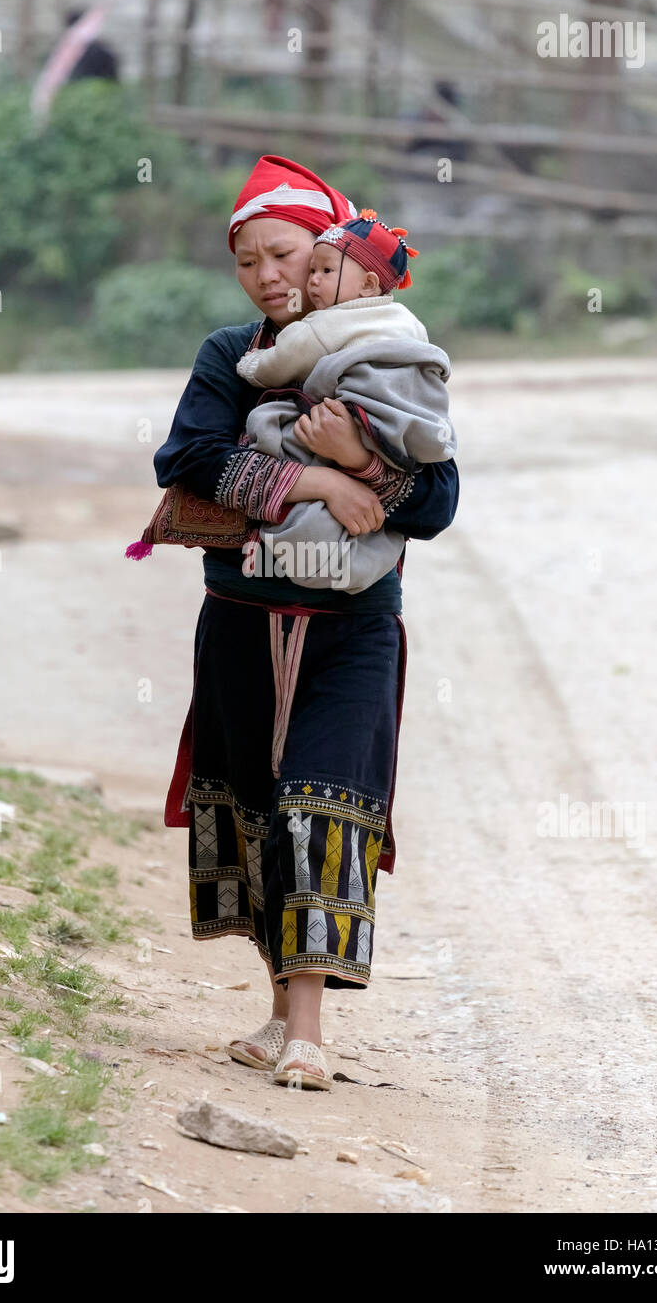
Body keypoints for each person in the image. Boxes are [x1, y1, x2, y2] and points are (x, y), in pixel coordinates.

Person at [150, 154, 460, 1090]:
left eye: (287, 255)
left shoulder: (393, 354)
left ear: (332, 254)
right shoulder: (229, 356)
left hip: (352, 630)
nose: (272, 277)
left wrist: (367, 465)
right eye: (250, 262)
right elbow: (187, 457)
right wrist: (315, 477)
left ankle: (312, 1032)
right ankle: (282, 1010)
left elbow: (438, 500)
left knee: (318, 808)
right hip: (241, 620)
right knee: (254, 813)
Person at [233, 209, 456, 595]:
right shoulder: (409, 321)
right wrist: (335, 481)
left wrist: (248, 363)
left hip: (358, 417)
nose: (312, 281)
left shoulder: (323, 325)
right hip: (408, 429)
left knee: (272, 421)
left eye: (323, 270)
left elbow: (271, 368)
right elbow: (191, 458)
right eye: (247, 262)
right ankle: (356, 563)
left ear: (369, 284)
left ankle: (311, 555)